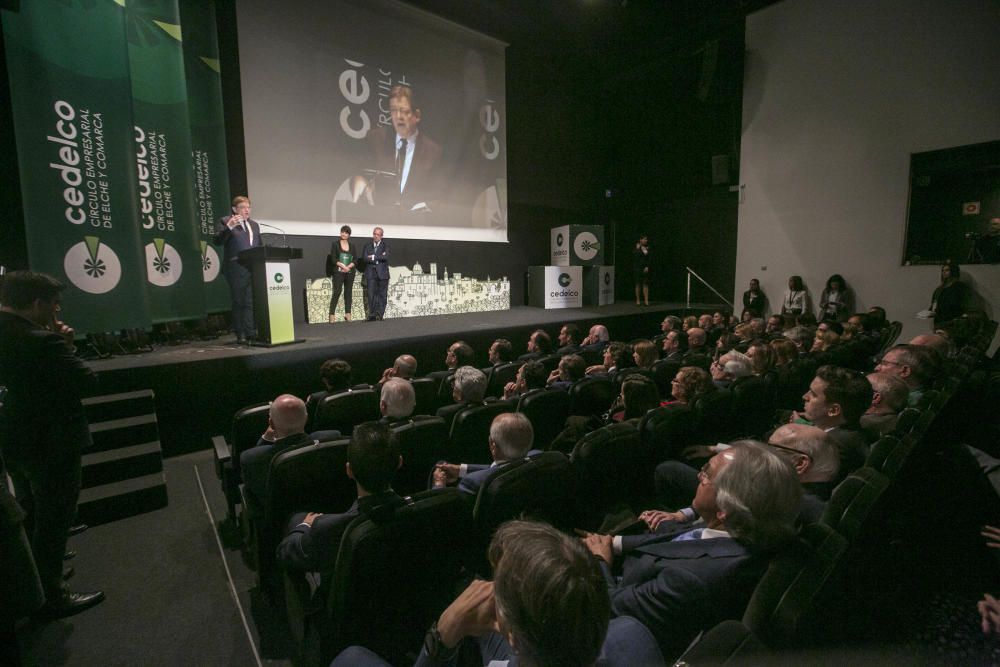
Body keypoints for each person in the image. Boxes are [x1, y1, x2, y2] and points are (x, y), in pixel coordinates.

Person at [331, 520, 664, 667]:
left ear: (512, 637)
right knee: (465, 586)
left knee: (352, 657)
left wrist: (442, 636)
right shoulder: (633, 635)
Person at [581, 443, 801, 660]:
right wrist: (615, 542)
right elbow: (685, 539)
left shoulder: (689, 580)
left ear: (725, 509)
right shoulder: (748, 528)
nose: (699, 477)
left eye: (707, 474)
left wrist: (601, 561)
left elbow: (612, 606)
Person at [0, 271, 104, 618]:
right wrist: (68, 345)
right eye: (54, 303)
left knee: (30, 511)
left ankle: (36, 580)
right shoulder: (43, 341)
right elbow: (87, 381)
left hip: (14, 437)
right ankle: (53, 593)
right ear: (37, 303)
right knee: (55, 517)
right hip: (53, 440)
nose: (57, 309)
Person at [276, 422, 402, 575]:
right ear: (399, 463)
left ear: (349, 470)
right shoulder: (425, 510)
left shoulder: (326, 529)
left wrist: (304, 526)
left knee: (296, 519)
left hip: (346, 599)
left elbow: (286, 553)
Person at [358, 84, 442, 210]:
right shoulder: (376, 139)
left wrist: (425, 206)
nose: (398, 117)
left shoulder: (433, 151)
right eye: (393, 110)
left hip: (413, 223)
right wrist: (361, 184)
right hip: (378, 218)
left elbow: (440, 195)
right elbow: (358, 173)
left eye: (404, 111)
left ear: (417, 115)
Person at [433, 412, 538, 496]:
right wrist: (461, 470)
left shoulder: (472, 483)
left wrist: (439, 485)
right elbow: (500, 468)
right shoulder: (539, 458)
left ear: (493, 445)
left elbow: (449, 517)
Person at [239, 394, 312, 507]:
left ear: (271, 424)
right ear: (306, 418)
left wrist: (264, 440)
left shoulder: (250, 459)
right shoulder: (331, 437)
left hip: (280, 521)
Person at [212, 195, 263, 342]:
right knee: (239, 300)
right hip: (236, 267)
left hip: (253, 266)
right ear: (235, 209)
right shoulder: (225, 221)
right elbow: (217, 241)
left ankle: (251, 332)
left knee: (250, 301)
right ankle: (240, 332)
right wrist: (229, 227)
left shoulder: (254, 225)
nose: (247, 210)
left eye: (248, 207)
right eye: (243, 207)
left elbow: (259, 245)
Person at [328, 225, 358, 323]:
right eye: (342, 232)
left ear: (349, 235)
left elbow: (355, 260)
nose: (344, 234)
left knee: (348, 292)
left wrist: (348, 267)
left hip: (350, 272)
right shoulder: (335, 244)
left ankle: (348, 313)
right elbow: (333, 259)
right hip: (338, 272)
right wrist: (342, 266)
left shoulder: (352, 245)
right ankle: (332, 314)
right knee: (337, 292)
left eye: (346, 232)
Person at [362, 226, 390, 320]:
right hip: (371, 273)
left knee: (382, 295)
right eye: (374, 234)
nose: (376, 236)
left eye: (378, 234)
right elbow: (365, 258)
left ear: (381, 236)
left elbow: (385, 257)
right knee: (371, 295)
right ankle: (372, 315)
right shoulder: (367, 245)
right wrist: (379, 256)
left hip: (382, 274)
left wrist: (373, 257)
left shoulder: (385, 246)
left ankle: (380, 314)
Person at [929, 261, 968, 327]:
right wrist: (930, 312)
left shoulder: (959, 287)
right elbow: (934, 303)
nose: (944, 272)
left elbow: (960, 304)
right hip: (939, 321)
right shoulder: (939, 289)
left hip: (953, 321)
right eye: (943, 270)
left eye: (947, 270)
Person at [633, 235, 651, 306]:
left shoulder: (648, 248)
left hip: (645, 268)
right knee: (638, 284)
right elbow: (635, 257)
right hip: (637, 268)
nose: (646, 241)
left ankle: (646, 300)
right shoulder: (636, 247)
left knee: (645, 284)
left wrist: (647, 266)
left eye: (646, 239)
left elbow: (649, 258)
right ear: (640, 240)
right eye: (644, 239)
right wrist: (637, 249)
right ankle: (638, 300)